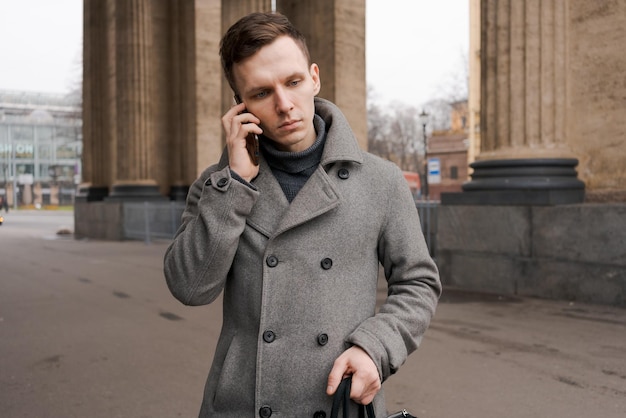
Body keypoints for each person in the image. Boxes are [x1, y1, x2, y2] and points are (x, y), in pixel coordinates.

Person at [163, 12, 441, 418]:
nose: (284, 105)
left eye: (292, 82)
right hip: (241, 405)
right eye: (261, 93)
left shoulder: (380, 181)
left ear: (314, 77)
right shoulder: (219, 186)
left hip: (338, 401)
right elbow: (190, 288)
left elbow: (418, 282)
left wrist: (375, 347)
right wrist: (236, 182)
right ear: (240, 104)